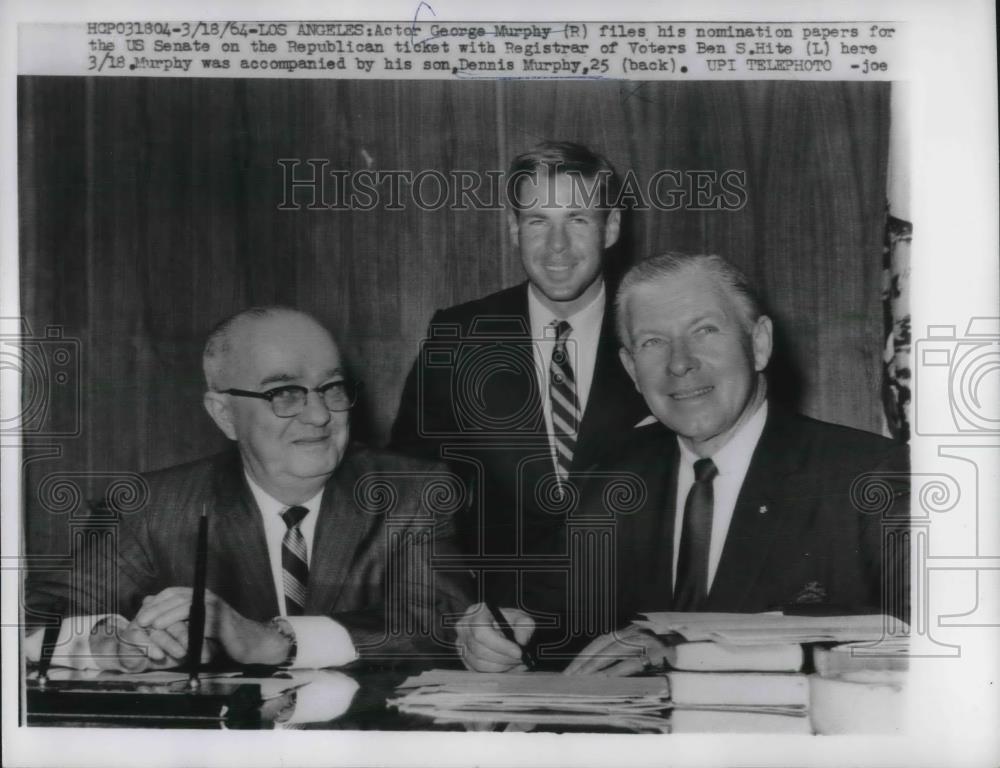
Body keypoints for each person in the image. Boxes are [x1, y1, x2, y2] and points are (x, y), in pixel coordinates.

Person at [457, 253, 909, 673]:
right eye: (653, 342)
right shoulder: (613, 479)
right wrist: (498, 631)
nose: (680, 364)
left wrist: (693, 649)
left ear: (759, 344)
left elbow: (931, 641)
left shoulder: (870, 476)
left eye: (704, 331)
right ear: (632, 370)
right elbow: (544, 611)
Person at [25, 307, 471, 671]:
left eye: (331, 388)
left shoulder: (413, 491)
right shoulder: (151, 508)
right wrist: (109, 643)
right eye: (284, 394)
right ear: (223, 413)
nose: (318, 415)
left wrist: (275, 642)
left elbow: (437, 624)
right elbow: (31, 621)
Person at [391, 141, 649, 626]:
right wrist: (464, 616)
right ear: (513, 229)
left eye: (577, 219)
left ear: (610, 227)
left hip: (632, 631)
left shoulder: (654, 328)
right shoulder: (459, 335)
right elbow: (412, 495)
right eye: (537, 221)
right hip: (492, 630)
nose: (557, 246)